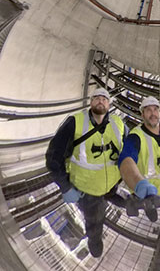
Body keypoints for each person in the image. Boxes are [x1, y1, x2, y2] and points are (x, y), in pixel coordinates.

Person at [46, 87, 127, 258]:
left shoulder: (119, 124)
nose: (100, 100)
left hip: (111, 183)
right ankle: (94, 239)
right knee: (95, 220)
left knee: (119, 197)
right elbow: (54, 157)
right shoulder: (74, 123)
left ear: (109, 104)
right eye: (96, 97)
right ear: (90, 102)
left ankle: (115, 197)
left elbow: (130, 153)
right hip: (87, 191)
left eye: (104, 98)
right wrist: (65, 186)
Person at [118, 96, 160, 221]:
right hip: (148, 190)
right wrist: (139, 184)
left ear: (159, 112)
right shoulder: (136, 136)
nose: (153, 114)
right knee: (150, 203)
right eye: (148, 110)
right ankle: (150, 208)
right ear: (142, 114)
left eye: (155, 109)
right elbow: (126, 159)